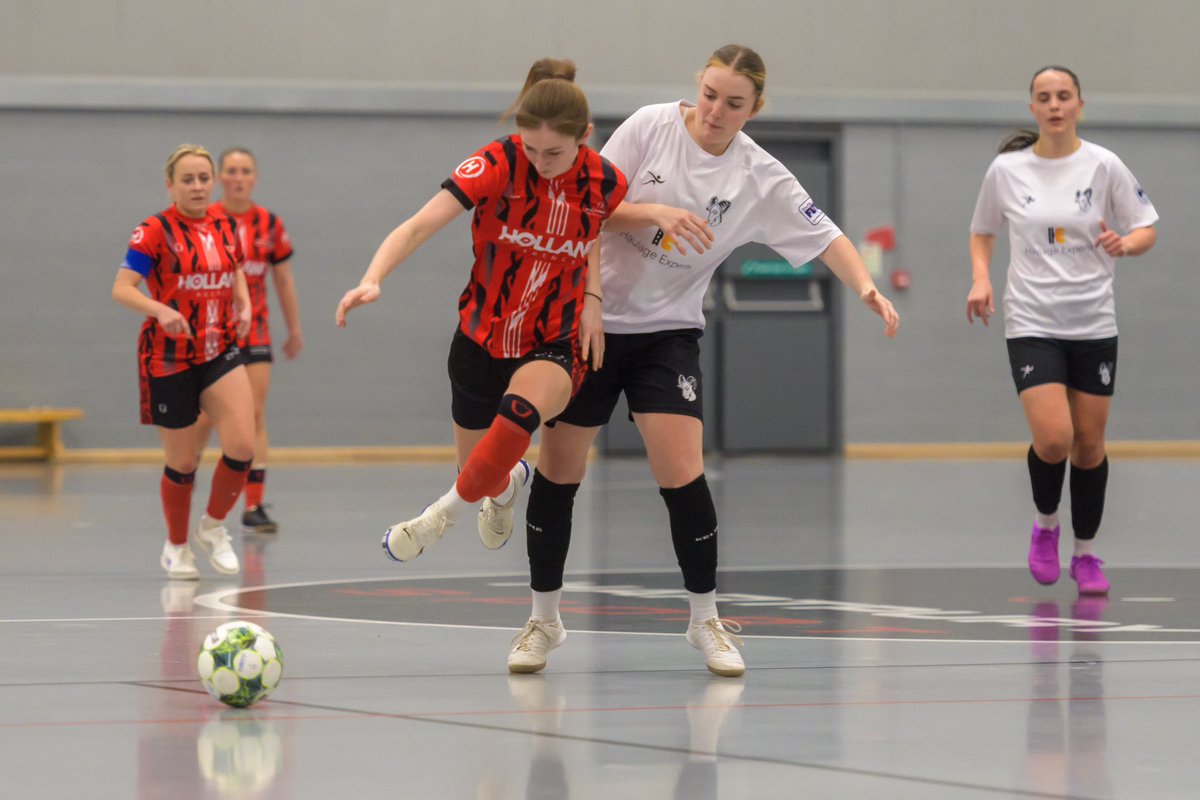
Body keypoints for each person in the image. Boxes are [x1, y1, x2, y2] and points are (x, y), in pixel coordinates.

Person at [505, 44, 900, 678]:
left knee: (682, 474)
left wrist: (867, 288)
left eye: (733, 103)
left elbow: (826, 236)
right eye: (710, 94)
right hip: (591, 323)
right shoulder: (650, 127)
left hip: (668, 334)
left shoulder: (760, 176)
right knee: (559, 474)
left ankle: (704, 620)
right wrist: (628, 249)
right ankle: (543, 620)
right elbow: (586, 208)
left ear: (755, 108)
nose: (716, 111)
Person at [336, 58, 629, 564]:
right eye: (530, 148)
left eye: (553, 152)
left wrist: (592, 299)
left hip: (552, 340)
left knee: (518, 416)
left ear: (585, 136)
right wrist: (372, 277)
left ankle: (435, 519)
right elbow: (418, 225)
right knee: (480, 471)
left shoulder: (605, 182)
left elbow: (595, 231)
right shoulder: (497, 163)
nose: (540, 162)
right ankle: (506, 485)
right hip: (480, 337)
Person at [967, 66, 1158, 596]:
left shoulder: (1103, 165)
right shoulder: (1007, 170)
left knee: (1089, 446)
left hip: (1092, 322)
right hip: (1032, 321)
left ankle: (1086, 554)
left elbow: (1146, 227)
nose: (1054, 105)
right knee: (1055, 438)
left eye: (1064, 96)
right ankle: (1046, 525)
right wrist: (981, 278)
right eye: (1044, 97)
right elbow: (982, 231)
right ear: (1032, 108)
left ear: (1079, 105)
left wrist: (1127, 243)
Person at [112, 144, 256, 579]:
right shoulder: (153, 231)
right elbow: (122, 288)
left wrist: (245, 303)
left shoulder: (226, 224)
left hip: (219, 348)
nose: (197, 186)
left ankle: (212, 527)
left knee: (242, 447)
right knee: (184, 463)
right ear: (170, 185)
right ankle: (176, 547)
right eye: (187, 179)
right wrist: (159, 309)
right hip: (169, 356)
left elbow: (234, 268)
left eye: (203, 178)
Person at [195, 147, 301, 534]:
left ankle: (253, 504)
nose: (238, 178)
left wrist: (294, 328)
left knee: (254, 411)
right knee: (205, 416)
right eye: (231, 171)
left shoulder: (269, 224)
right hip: (212, 331)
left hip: (254, 330)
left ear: (255, 177)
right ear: (220, 177)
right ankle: (186, 476)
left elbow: (283, 280)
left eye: (245, 171)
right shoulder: (205, 220)